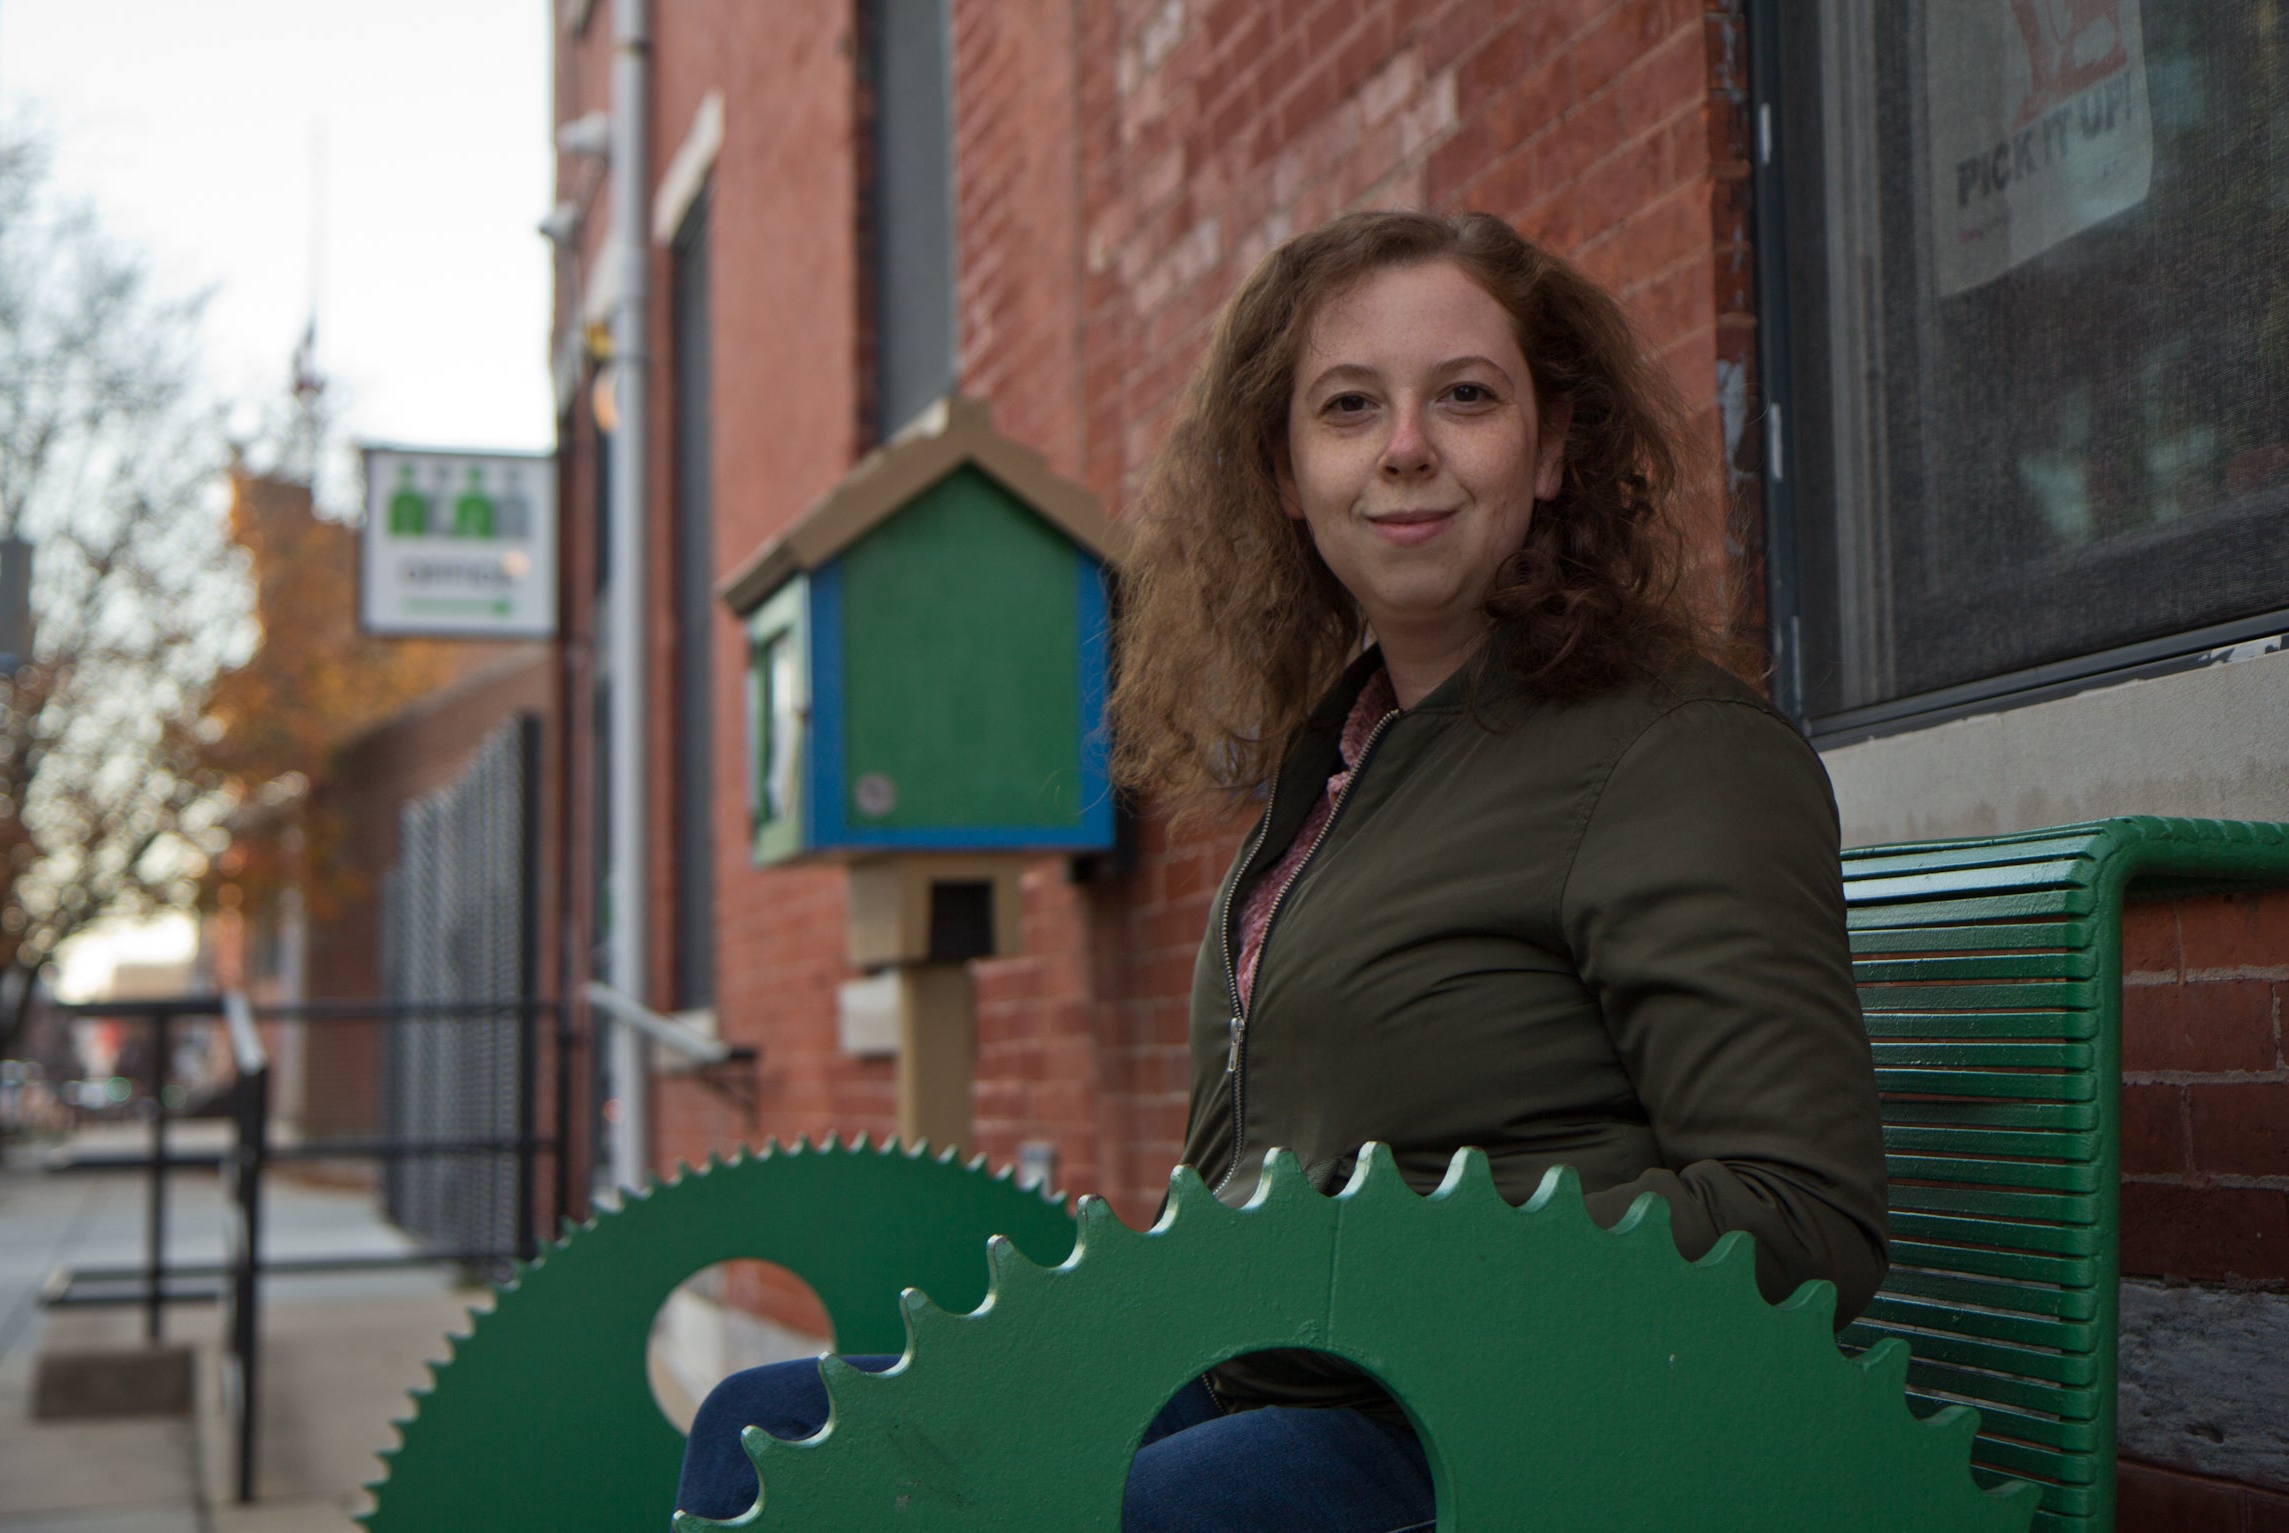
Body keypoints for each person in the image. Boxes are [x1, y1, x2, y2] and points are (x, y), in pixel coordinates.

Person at [674, 209, 1888, 1531]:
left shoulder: (1671, 752)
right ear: (1284, 470)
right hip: (1287, 1385)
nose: (1407, 448)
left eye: (1466, 398)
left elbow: (1799, 1214)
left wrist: (1379, 1268)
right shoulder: (1343, 764)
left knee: (1132, 1505)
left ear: (1551, 451)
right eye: (1350, 407)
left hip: (1508, 1420)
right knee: (768, 1426)